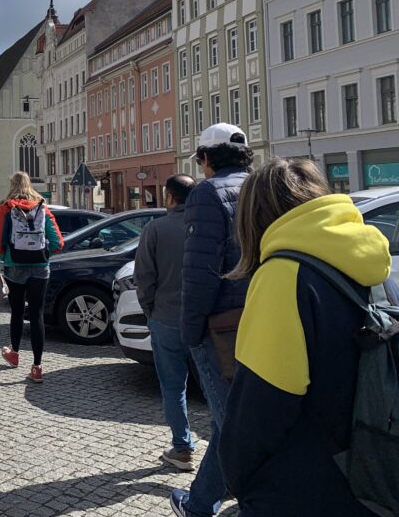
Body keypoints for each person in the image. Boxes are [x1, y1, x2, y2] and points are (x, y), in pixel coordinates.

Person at [220, 159, 390, 516]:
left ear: (254, 216)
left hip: (306, 483)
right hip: (373, 469)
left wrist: (239, 477)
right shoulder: (371, 261)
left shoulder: (283, 275)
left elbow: (260, 405)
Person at [171, 123, 253, 517]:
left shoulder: (206, 193)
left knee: (232, 424)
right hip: (261, 315)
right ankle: (201, 503)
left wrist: (191, 331)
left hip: (220, 326)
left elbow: (199, 272)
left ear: (205, 158)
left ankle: (255, 499)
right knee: (234, 419)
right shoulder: (262, 187)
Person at [133, 174, 196, 472]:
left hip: (167, 318)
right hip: (206, 319)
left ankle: (182, 448)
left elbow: (143, 277)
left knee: (173, 386)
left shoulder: (155, 229)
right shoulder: (208, 227)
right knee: (217, 390)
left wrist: (150, 311)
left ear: (169, 197)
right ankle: (225, 452)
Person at [0, 171, 62, 383]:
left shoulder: (6, 207)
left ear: (12, 185)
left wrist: (7, 257)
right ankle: (37, 366)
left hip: (15, 267)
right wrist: (44, 255)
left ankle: (14, 353)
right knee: (37, 314)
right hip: (40, 267)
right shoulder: (42, 206)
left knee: (16, 311)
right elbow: (58, 241)